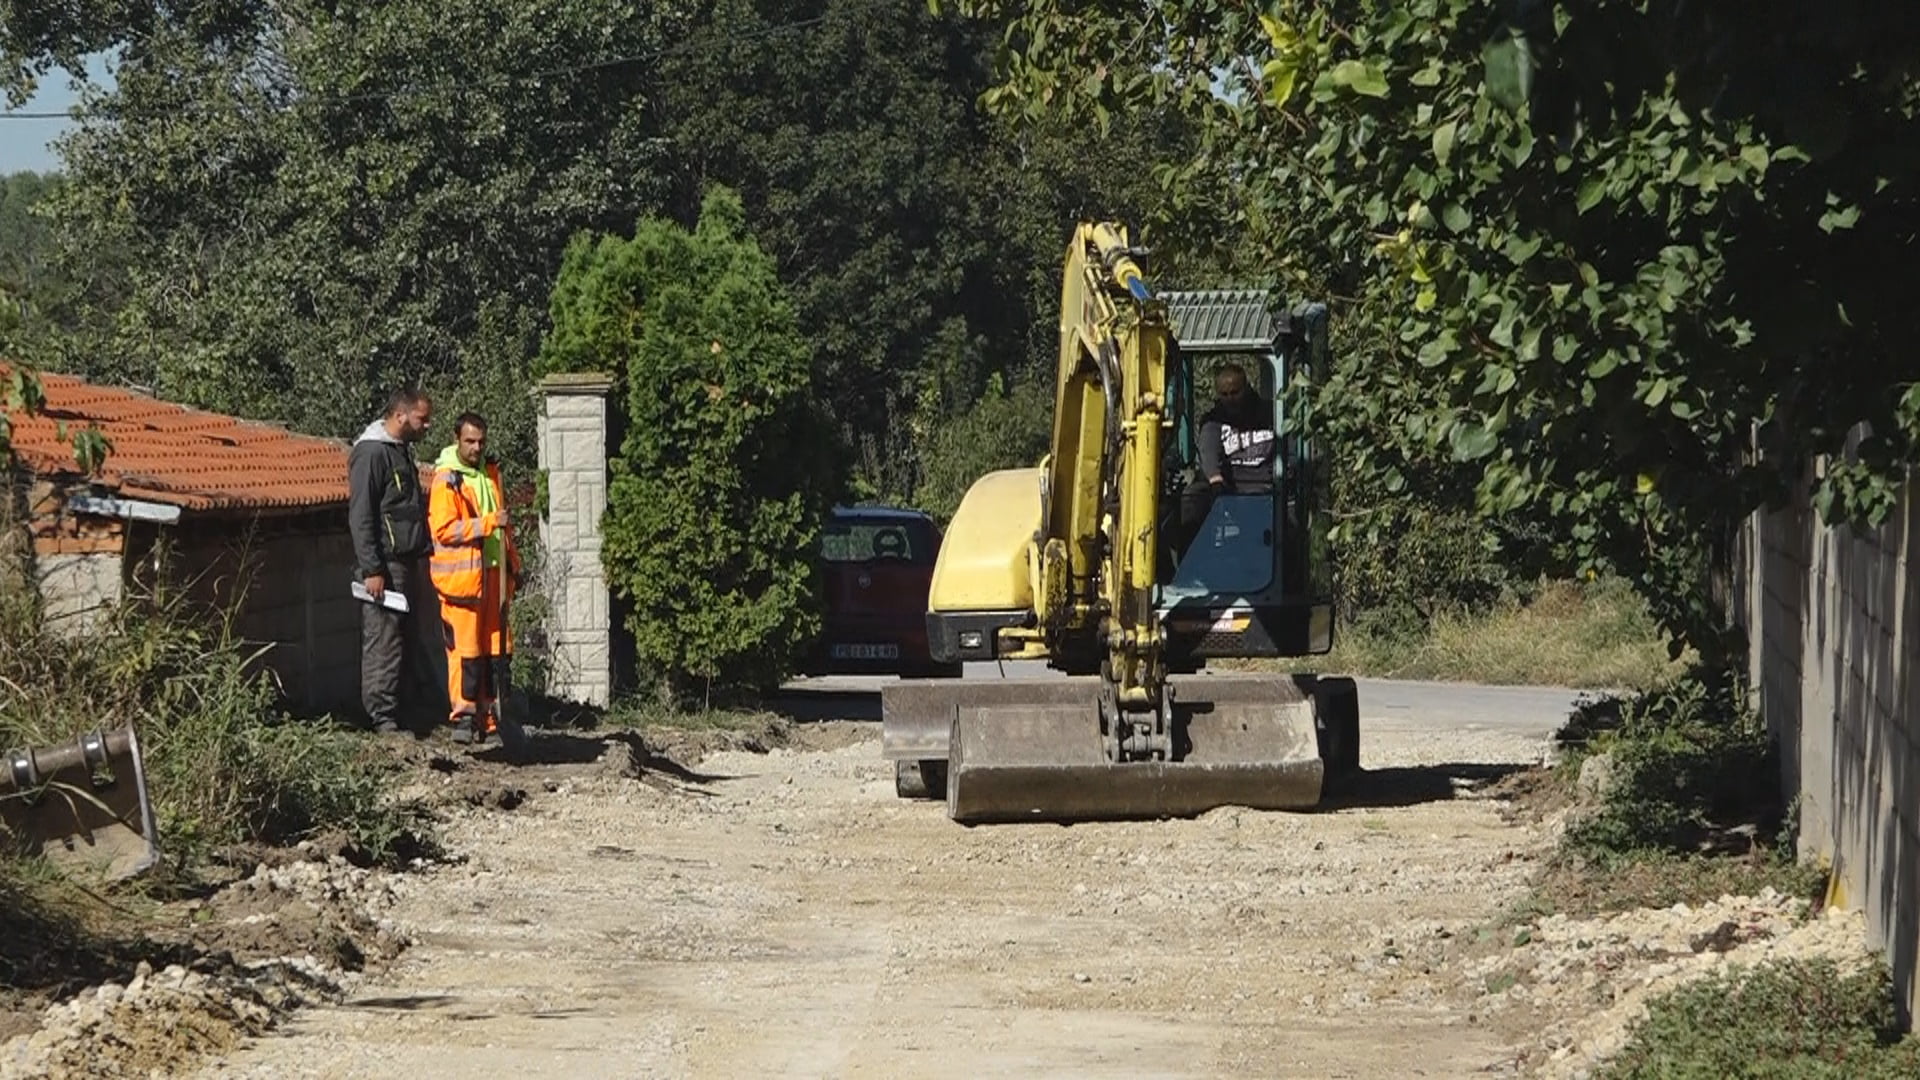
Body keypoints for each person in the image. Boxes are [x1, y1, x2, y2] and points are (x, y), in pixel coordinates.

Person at [427, 412, 523, 745]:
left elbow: (505, 528)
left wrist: (514, 567)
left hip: (494, 577)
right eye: (470, 441)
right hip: (463, 583)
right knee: (466, 653)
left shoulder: (490, 474)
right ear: (457, 439)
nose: (476, 448)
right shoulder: (447, 480)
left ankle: (492, 718)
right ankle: (464, 719)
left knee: (495, 653)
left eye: (481, 441)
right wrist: (486, 523)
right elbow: (443, 529)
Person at [349, 387, 439, 736]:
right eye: (422, 418)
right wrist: (372, 568)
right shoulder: (372, 454)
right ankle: (381, 718)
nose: (427, 425)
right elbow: (361, 515)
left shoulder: (399, 451)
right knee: (384, 640)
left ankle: (407, 712)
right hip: (385, 565)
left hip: (407, 561)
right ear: (401, 415)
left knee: (405, 639)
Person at [1179, 363, 1278, 550]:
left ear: (1246, 387)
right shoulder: (1213, 420)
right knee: (1191, 500)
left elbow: (1288, 449)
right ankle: (1193, 560)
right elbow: (1208, 447)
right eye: (1224, 394)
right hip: (1228, 487)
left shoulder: (1271, 414)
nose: (1230, 399)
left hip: (1266, 485)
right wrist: (1215, 479)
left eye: (1235, 393)